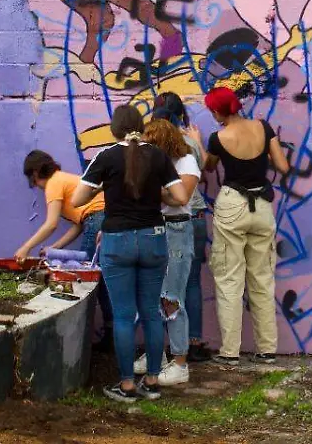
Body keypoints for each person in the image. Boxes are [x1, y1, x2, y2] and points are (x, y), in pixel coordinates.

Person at [73, 105, 189, 402]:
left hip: (118, 241)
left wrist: (106, 188)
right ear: (141, 125)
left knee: (124, 315)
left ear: (115, 130)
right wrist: (154, 193)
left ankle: (126, 385)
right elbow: (180, 197)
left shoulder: (106, 157)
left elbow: (77, 199)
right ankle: (151, 381)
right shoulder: (158, 156)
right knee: (152, 312)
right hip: (154, 239)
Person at [201, 86, 290, 366]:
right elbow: (283, 167)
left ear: (218, 111)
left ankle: (230, 352)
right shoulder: (263, 127)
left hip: (232, 205)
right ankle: (267, 350)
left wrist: (197, 143)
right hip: (262, 205)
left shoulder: (218, 137)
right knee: (262, 279)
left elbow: (210, 167)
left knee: (229, 280)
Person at [131, 119, 202, 386]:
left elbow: (179, 198)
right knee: (151, 296)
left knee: (171, 297)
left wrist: (154, 190)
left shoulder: (186, 163)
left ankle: (180, 362)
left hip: (176, 230)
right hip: (154, 228)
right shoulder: (153, 163)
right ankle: (156, 355)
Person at [152, 91, 214, 363]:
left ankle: (169, 346)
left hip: (165, 218)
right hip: (194, 215)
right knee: (190, 283)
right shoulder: (188, 142)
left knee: (164, 286)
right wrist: (200, 142)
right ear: (181, 114)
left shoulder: (152, 140)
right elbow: (204, 168)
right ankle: (194, 340)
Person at [17, 150, 107, 262]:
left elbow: (51, 224)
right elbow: (79, 226)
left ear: (35, 174)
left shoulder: (53, 183)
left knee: (86, 270)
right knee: (97, 267)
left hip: (97, 219)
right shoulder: (61, 178)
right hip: (106, 218)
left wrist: (26, 248)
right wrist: (54, 248)